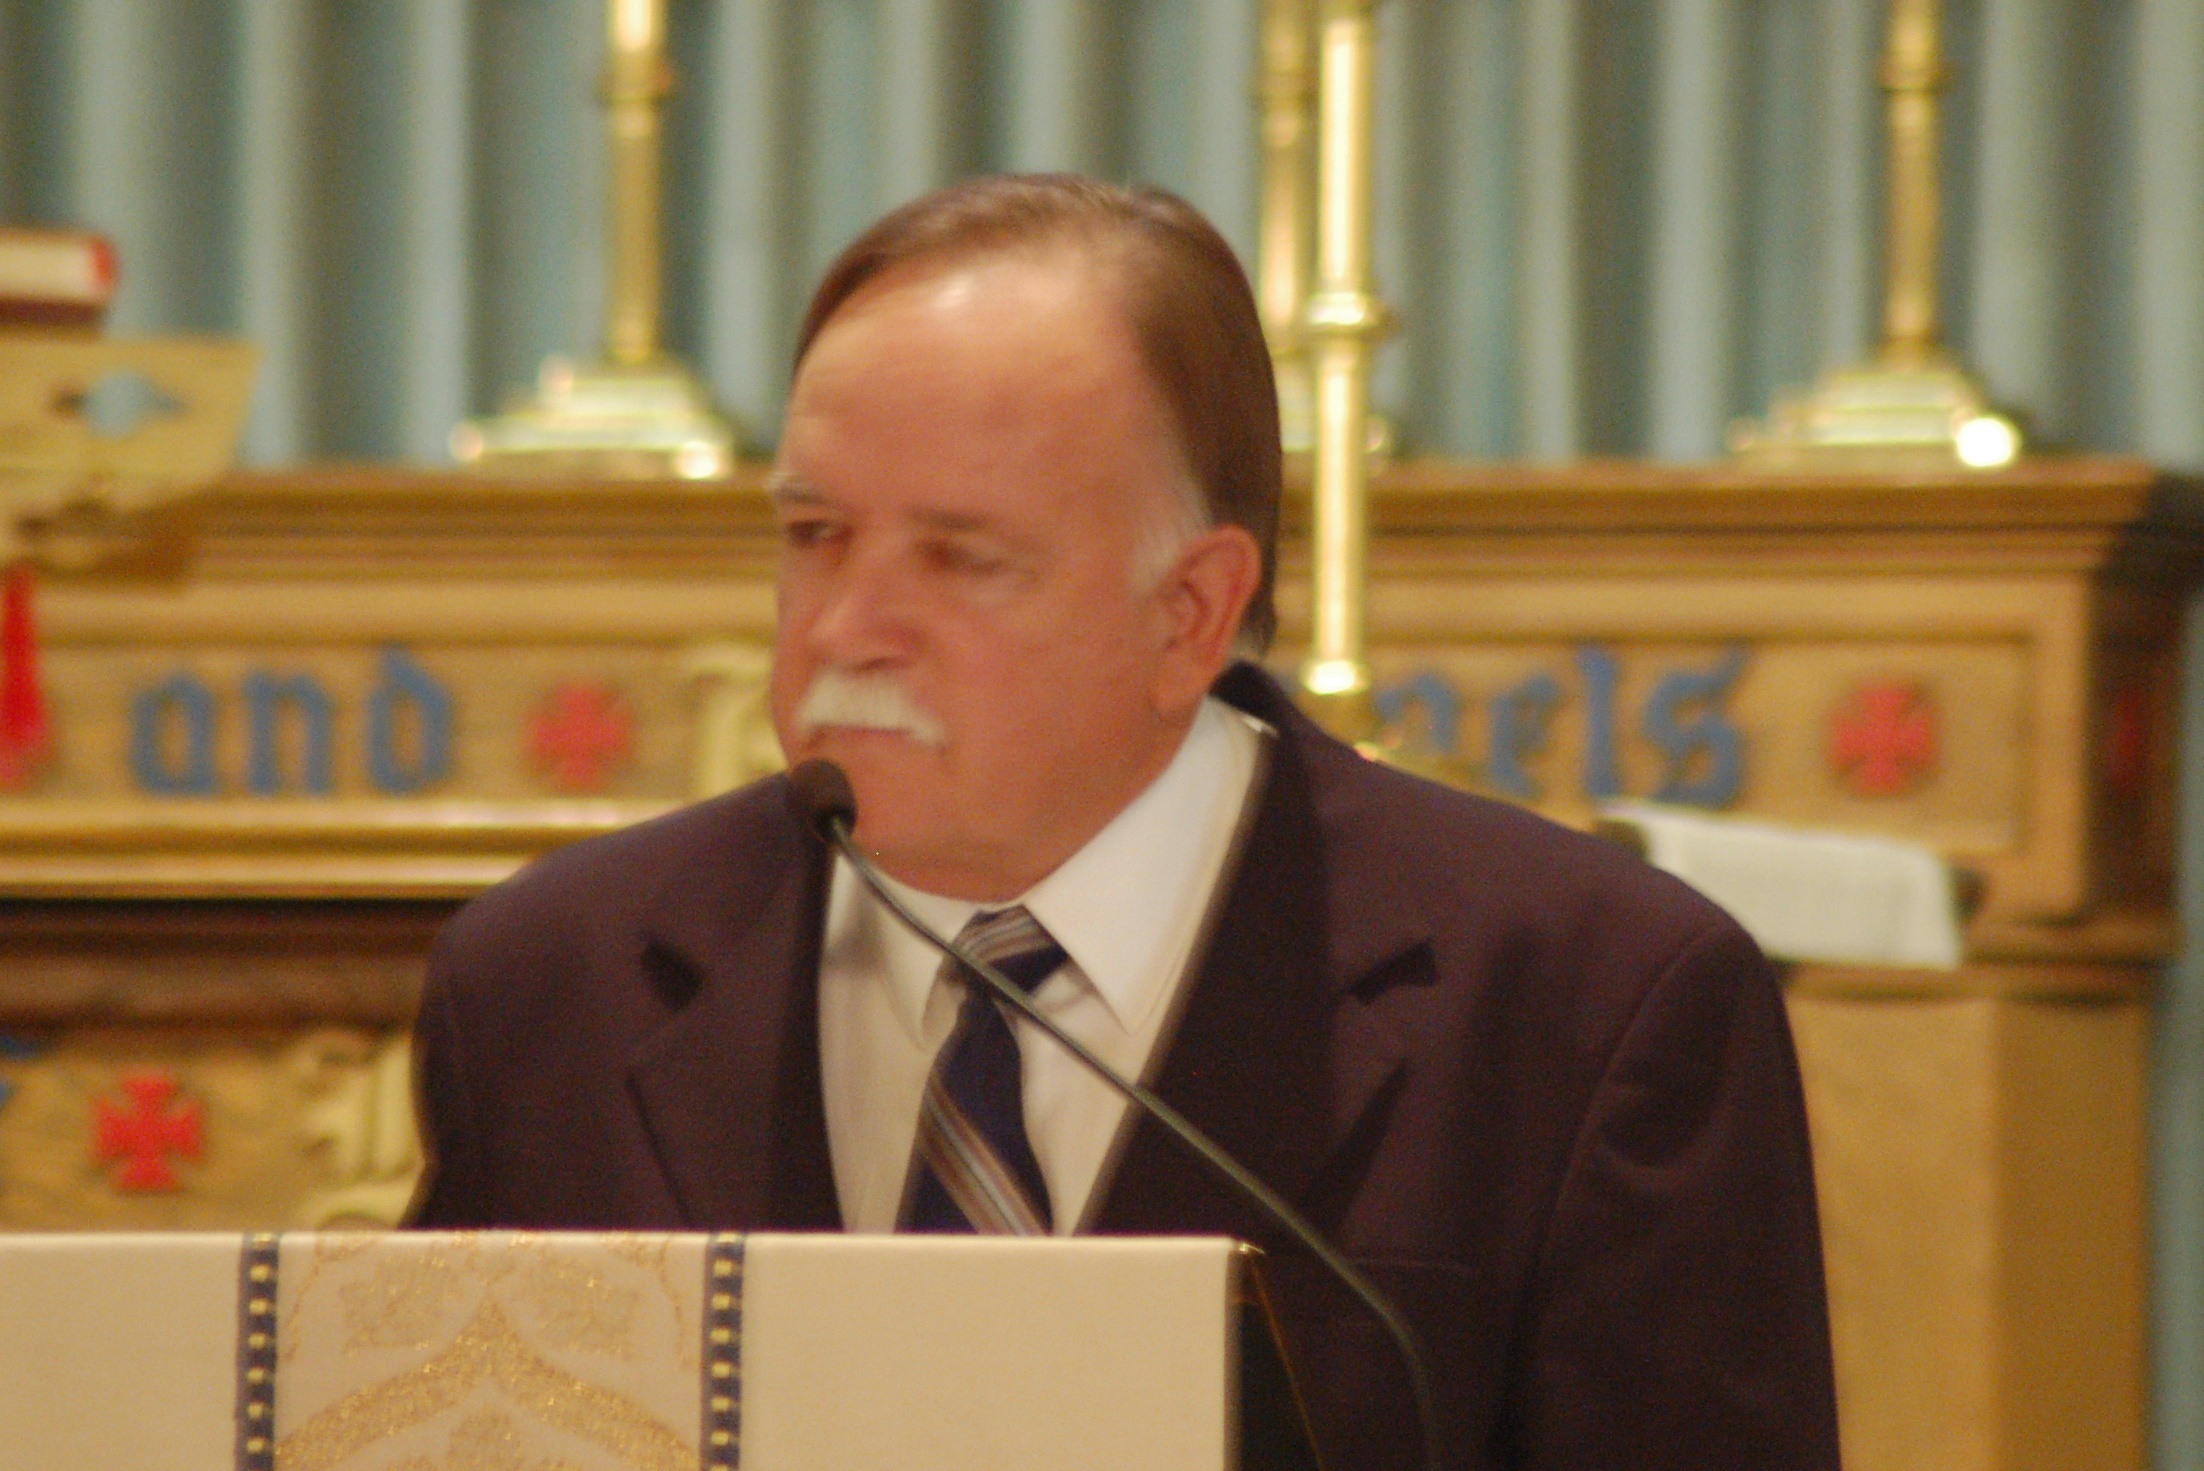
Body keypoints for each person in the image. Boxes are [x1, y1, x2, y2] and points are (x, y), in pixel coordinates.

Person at [409, 174, 1839, 1471]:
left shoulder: (1587, 1011)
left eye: (962, 558)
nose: (846, 627)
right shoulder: (551, 989)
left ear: (1190, 614)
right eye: (815, 536)